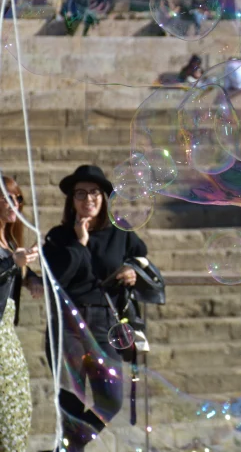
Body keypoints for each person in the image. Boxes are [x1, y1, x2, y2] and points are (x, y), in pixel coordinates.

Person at [42, 165, 148, 451]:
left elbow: (142, 258)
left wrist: (132, 270)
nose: (87, 199)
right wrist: (79, 244)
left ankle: (70, 448)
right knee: (72, 404)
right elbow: (56, 280)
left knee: (111, 400)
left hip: (104, 324)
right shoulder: (57, 237)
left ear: (104, 198)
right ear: (71, 200)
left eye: (94, 192)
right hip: (67, 326)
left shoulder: (120, 232)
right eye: (80, 193)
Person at [0, 176, 43, 452]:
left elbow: (12, 268)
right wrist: (13, 264)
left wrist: (30, 278)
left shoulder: (11, 239)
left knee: (16, 416)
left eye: (17, 198)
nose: (13, 203)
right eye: (5, 197)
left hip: (7, 339)